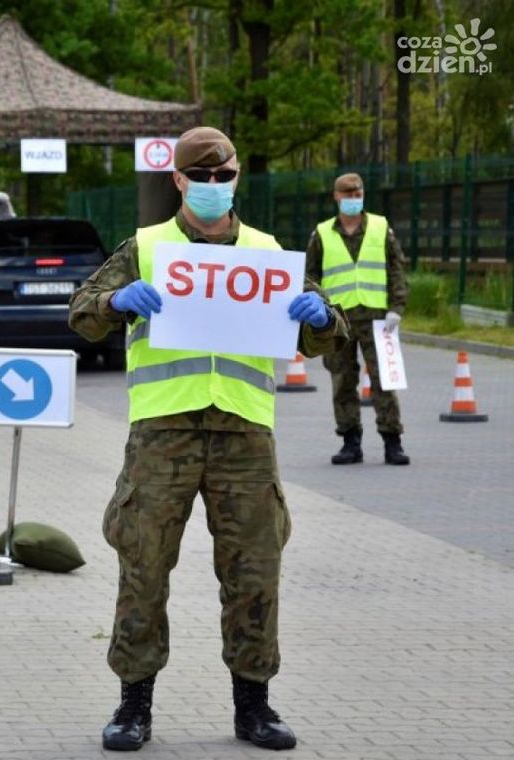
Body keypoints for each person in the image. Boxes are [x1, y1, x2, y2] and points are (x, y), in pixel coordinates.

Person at [68, 126, 349, 752]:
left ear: (237, 176)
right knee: (143, 565)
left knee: (255, 569)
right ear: (179, 180)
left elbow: (331, 333)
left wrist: (322, 318)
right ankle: (133, 704)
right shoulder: (147, 248)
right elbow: (82, 311)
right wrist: (118, 300)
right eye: (202, 177)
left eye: (224, 176)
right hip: (162, 433)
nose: (214, 186)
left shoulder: (267, 253)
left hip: (244, 434)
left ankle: (254, 705)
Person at [306, 173, 411, 466]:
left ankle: (392, 441)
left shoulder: (380, 227)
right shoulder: (322, 233)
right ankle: (350, 442)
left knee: (383, 380)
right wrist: (318, 311)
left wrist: (397, 307)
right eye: (348, 194)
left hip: (377, 318)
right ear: (336, 197)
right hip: (338, 320)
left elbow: (397, 268)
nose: (353, 199)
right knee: (342, 381)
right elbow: (310, 275)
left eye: (358, 194)